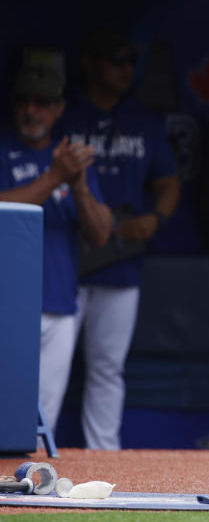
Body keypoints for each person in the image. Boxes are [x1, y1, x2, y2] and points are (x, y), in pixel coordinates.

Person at [63, 29, 181, 450]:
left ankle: (104, 457)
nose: (125, 69)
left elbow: (169, 181)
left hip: (121, 258)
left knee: (107, 367)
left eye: (130, 61)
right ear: (89, 65)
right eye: (115, 59)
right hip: (67, 256)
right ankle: (32, 450)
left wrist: (156, 218)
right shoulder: (65, 115)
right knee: (46, 364)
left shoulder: (143, 120)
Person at [0, 64, 112, 433]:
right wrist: (53, 178)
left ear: (59, 108)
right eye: (24, 101)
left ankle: (25, 486)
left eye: (43, 102)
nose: (32, 110)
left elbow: (101, 233)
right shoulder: (6, 150)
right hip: (8, 305)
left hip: (59, 303)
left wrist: (77, 184)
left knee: (39, 421)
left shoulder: (69, 159)